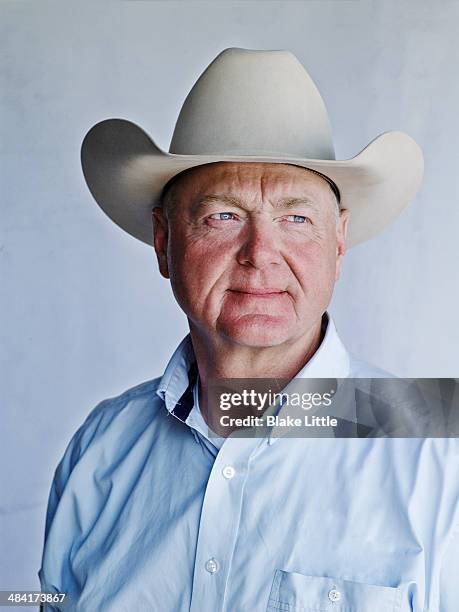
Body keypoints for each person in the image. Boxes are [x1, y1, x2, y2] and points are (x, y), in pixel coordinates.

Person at [38, 48, 458, 611]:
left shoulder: (440, 462)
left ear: (337, 245)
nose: (261, 255)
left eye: (296, 219)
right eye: (223, 216)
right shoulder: (99, 450)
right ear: (165, 243)